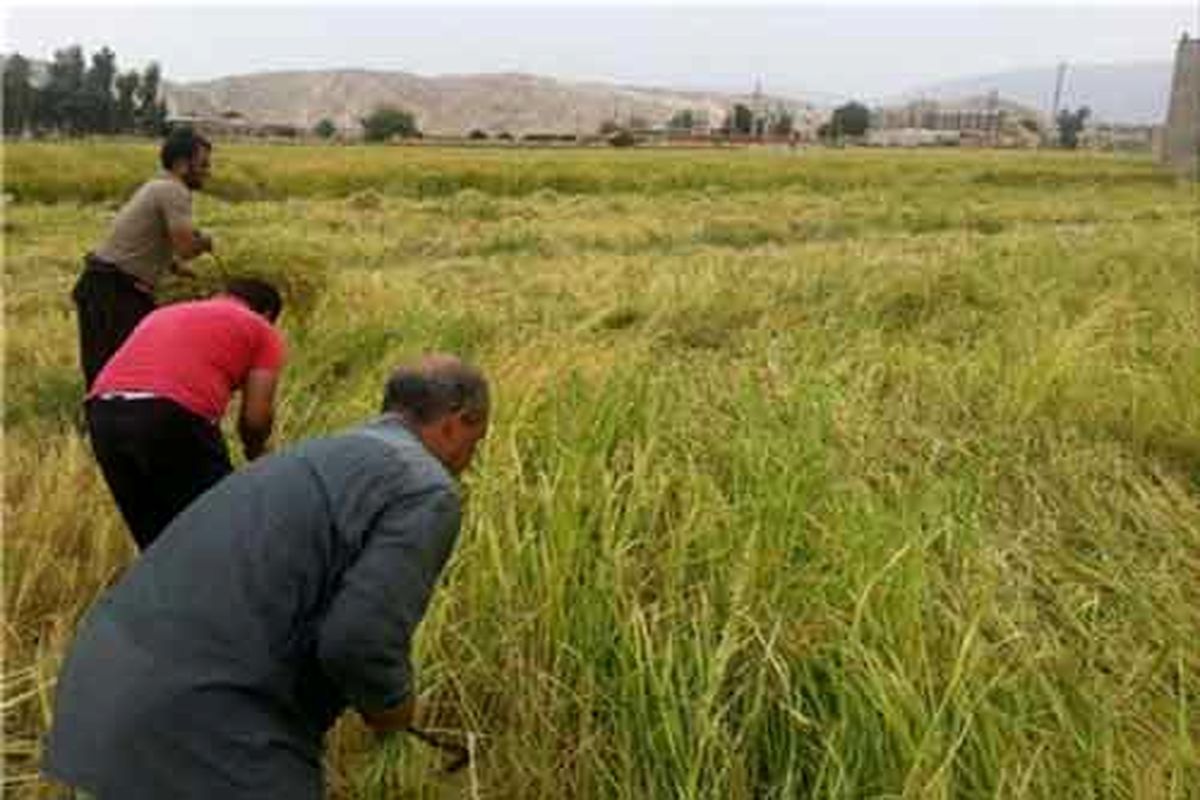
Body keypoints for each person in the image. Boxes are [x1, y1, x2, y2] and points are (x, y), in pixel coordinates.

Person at [44, 355, 490, 799]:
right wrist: (392, 710)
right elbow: (359, 640)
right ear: (457, 422)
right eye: (476, 442)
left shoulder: (312, 455)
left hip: (103, 686)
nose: (468, 462)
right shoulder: (424, 488)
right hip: (206, 719)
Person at [85, 277, 286, 549]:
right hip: (169, 415)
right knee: (224, 526)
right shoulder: (261, 328)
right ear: (267, 314)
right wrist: (257, 453)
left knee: (157, 542)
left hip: (103, 413)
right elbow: (255, 418)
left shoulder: (163, 313)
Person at [72, 127, 215, 388]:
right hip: (112, 291)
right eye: (203, 164)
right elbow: (186, 246)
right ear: (182, 165)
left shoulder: (156, 186)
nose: (208, 171)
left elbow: (148, 238)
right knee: (117, 371)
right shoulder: (174, 191)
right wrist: (206, 242)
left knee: (116, 368)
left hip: (106, 286)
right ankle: (102, 423)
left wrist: (173, 267)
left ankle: (105, 420)